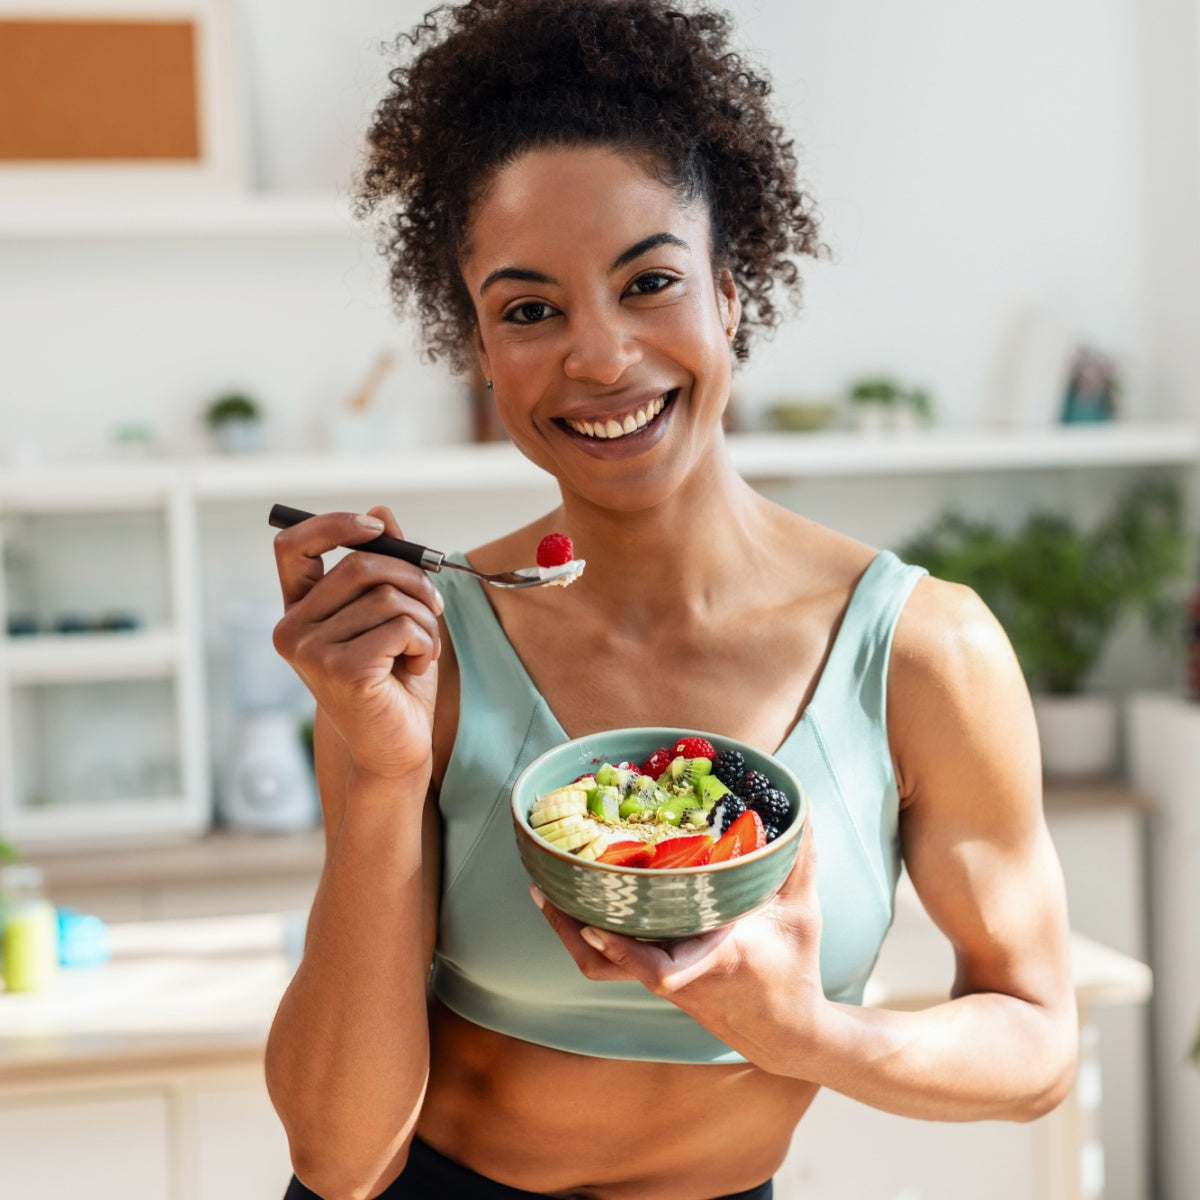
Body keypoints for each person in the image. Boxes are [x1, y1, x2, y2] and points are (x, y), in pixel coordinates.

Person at [266, 2, 1078, 1197]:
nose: (599, 357)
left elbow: (1038, 1047)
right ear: (483, 353)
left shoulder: (921, 650)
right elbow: (339, 1163)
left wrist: (809, 1036)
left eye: (649, 282)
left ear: (731, 297)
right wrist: (382, 771)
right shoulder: (424, 652)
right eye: (530, 310)